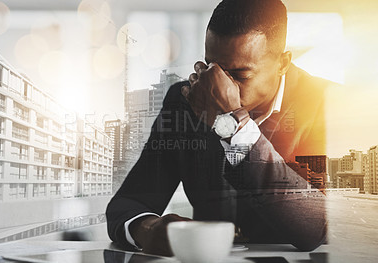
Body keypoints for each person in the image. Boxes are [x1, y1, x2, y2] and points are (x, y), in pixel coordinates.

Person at [106, 0, 330, 256]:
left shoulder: (323, 103)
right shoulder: (183, 101)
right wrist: (148, 230)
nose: (220, 86)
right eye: (213, 68)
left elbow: (317, 226)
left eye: (240, 75)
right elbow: (128, 202)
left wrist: (232, 125)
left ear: (282, 63)